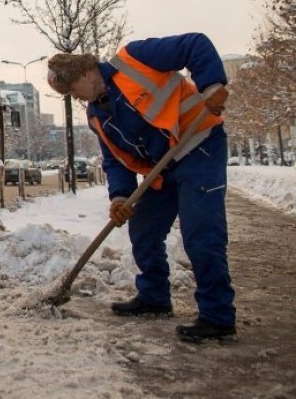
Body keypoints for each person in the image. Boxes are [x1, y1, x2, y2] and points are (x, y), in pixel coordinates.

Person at [46, 33, 236, 343]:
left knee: (201, 230)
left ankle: (218, 316)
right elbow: (115, 160)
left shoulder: (135, 58)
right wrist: (119, 196)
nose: (76, 97)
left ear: (84, 72)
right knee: (144, 230)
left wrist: (212, 85)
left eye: (72, 89)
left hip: (199, 145)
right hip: (164, 168)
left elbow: (195, 45)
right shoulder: (97, 115)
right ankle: (154, 297)